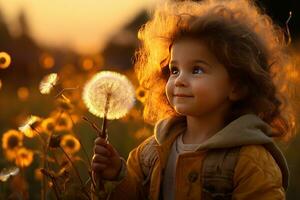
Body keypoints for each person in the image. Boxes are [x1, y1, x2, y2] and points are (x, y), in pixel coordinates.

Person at [92, 0, 296, 199]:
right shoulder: (151, 151)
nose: (179, 80)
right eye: (174, 70)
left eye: (196, 70)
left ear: (238, 87)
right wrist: (116, 175)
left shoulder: (251, 161)